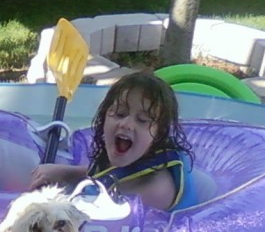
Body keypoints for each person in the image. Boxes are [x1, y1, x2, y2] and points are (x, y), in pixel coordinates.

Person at [30, 72, 200, 212]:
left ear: (159, 134)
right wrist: (65, 172)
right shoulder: (135, 155)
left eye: (142, 120)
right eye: (119, 113)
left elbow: (96, 215)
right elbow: (111, 177)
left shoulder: (156, 189)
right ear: (104, 116)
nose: (126, 124)